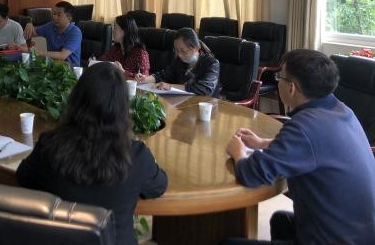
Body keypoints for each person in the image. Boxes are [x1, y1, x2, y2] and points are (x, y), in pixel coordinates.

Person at [225, 49, 375, 245]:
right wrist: (262, 143)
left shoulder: (305, 126)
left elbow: (252, 174)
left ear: (292, 88)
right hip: (362, 233)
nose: (277, 81)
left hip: (337, 240)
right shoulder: (342, 110)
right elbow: (317, 147)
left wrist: (238, 152)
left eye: (279, 77)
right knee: (281, 221)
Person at [16, 62, 167, 245]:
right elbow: (159, 185)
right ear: (123, 108)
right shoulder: (136, 155)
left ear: (76, 99)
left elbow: (23, 177)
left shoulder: (49, 145)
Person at [136, 27, 219, 96]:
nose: (179, 55)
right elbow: (164, 75)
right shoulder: (179, 61)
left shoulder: (212, 63)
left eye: (183, 51)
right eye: (176, 50)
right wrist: (146, 79)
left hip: (206, 105)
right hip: (184, 102)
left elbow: (205, 89)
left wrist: (170, 86)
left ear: (197, 47)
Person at [23, 1, 82, 66]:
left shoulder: (75, 32)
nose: (55, 17)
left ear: (69, 18)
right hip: (52, 66)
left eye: (59, 15)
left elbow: (62, 55)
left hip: (70, 69)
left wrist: (36, 52)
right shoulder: (50, 25)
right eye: (54, 14)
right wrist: (29, 24)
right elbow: (30, 33)